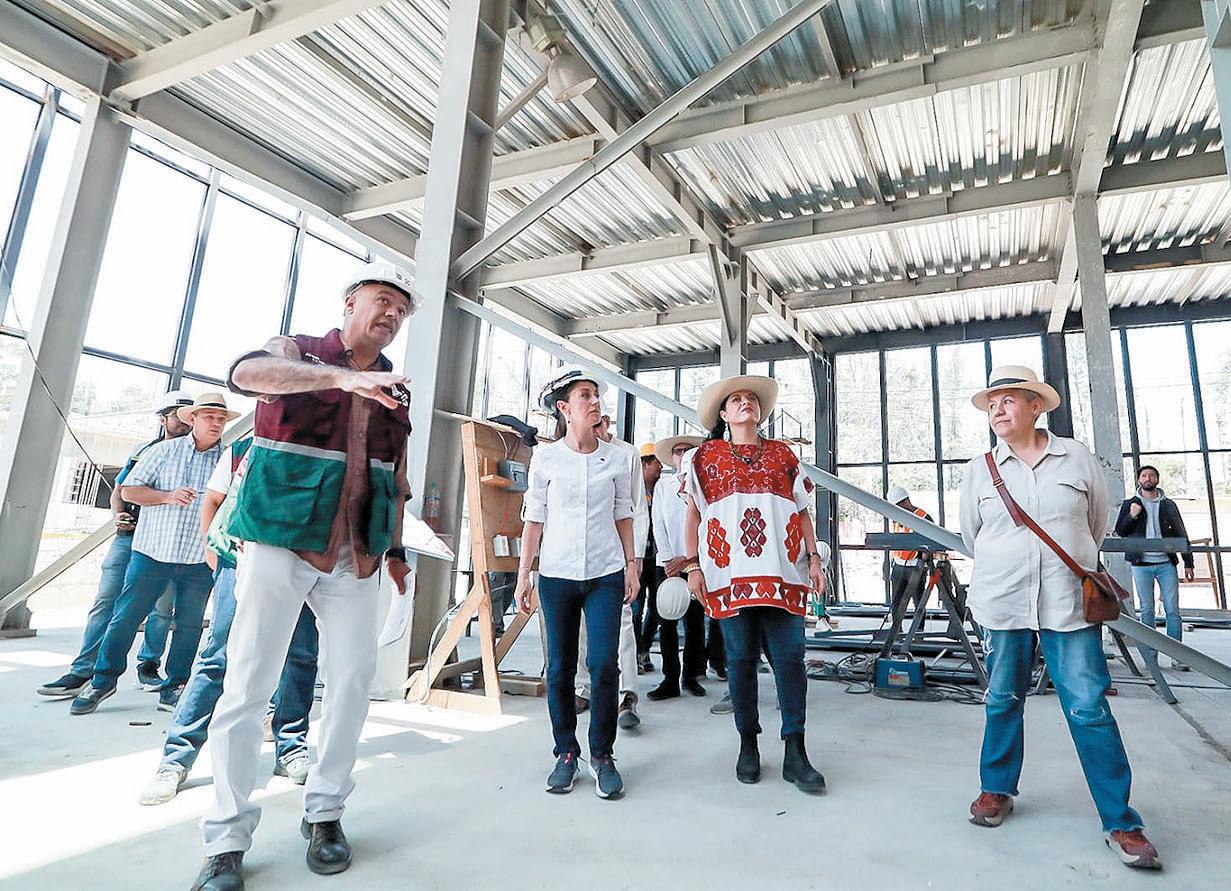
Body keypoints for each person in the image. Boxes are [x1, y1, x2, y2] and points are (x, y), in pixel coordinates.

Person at [190, 262, 416, 890]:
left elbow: (397, 477)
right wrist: (339, 377)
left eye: (401, 309)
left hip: (356, 553)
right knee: (247, 684)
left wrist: (397, 551)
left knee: (351, 683)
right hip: (280, 538)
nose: (392, 313)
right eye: (383, 300)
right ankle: (226, 839)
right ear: (350, 302)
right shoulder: (297, 351)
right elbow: (245, 374)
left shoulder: (396, 389)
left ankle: (325, 812)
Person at [959, 365, 1160, 871]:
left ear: (1036, 406)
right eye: (992, 404)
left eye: (1008, 400)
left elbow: (1096, 522)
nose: (997, 410)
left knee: (1088, 707)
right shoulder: (980, 469)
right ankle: (996, 788)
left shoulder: (1076, 457)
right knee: (1002, 698)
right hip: (1003, 600)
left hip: (1068, 601)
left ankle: (1120, 820)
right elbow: (971, 535)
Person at [138, 435, 320, 806]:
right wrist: (211, 548)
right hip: (240, 561)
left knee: (299, 654)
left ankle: (290, 746)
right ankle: (176, 758)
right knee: (218, 657)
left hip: (300, 563)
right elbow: (214, 498)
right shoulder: (242, 449)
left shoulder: (322, 449)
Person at [681, 375, 828, 794]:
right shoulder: (704, 457)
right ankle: (748, 742)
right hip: (728, 576)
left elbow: (802, 511)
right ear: (723, 414)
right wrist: (692, 566)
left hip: (784, 574)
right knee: (741, 660)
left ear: (760, 412)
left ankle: (796, 750)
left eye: (751, 399)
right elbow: (693, 514)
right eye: (736, 400)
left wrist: (814, 558)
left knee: (790, 660)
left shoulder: (783, 455)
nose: (745, 402)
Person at [516, 367, 639, 800]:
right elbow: (535, 518)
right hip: (556, 575)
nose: (595, 401)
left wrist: (631, 564)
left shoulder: (618, 458)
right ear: (565, 408)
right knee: (561, 669)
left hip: (606, 573)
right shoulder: (546, 459)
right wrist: (524, 573)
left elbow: (624, 513)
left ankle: (602, 754)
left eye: (597, 395)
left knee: (604, 665)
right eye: (585, 395)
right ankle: (566, 752)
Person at [70, 393, 233, 715]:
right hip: (152, 553)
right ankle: (102, 681)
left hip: (198, 558)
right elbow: (130, 491)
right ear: (192, 419)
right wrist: (167, 496)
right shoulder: (162, 451)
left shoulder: (228, 460)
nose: (216, 423)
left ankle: (175, 686)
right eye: (209, 417)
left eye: (220, 419)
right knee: (125, 618)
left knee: (189, 625)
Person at [36, 391, 193, 699]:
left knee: (162, 608)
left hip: (164, 543)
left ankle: (148, 665)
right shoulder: (143, 451)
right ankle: (84, 671)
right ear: (163, 419)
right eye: (179, 415)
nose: (186, 421)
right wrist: (118, 515)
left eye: (190, 415)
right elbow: (121, 489)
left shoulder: (196, 457)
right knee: (106, 601)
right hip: (129, 537)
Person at [575, 414, 648, 730]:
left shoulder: (626, 454)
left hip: (618, 553)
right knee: (579, 623)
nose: (597, 431)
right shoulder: (572, 453)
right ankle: (582, 689)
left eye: (600, 424)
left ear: (606, 421)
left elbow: (637, 508)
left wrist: (636, 556)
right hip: (578, 554)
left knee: (623, 621)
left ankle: (626, 695)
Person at [1114, 465, 1195, 670]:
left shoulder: (1168, 505)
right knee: (1147, 610)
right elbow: (1120, 531)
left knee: (1172, 610)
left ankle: (1177, 656)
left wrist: (1188, 562)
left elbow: (1181, 533)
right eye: (1144, 475)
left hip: (1166, 564)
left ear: (1157, 479)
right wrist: (1132, 515)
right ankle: (1151, 657)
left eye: (1151, 475)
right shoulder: (1130, 504)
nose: (1147, 478)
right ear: (1138, 480)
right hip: (1141, 564)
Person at [649, 433, 708, 701]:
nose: (682, 455)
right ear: (671, 457)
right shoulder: (663, 485)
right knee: (667, 620)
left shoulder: (702, 484)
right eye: (677, 451)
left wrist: (689, 559)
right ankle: (670, 677)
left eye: (687, 450)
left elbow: (704, 524)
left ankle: (691, 676)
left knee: (695, 622)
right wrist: (668, 558)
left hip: (695, 562)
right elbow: (658, 523)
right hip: (667, 564)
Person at [885, 485, 935, 638]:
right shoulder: (897, 517)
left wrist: (925, 558)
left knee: (918, 600)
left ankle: (918, 632)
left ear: (905, 501)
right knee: (896, 600)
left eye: (899, 506)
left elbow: (932, 540)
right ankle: (896, 630)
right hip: (899, 565)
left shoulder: (923, 517)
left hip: (916, 566)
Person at [634, 442, 661, 674]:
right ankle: (634, 654)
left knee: (657, 607)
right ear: (645, 464)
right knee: (636, 607)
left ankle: (643, 650)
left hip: (656, 559)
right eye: (657, 464)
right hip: (638, 558)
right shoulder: (633, 491)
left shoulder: (660, 491)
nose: (660, 468)